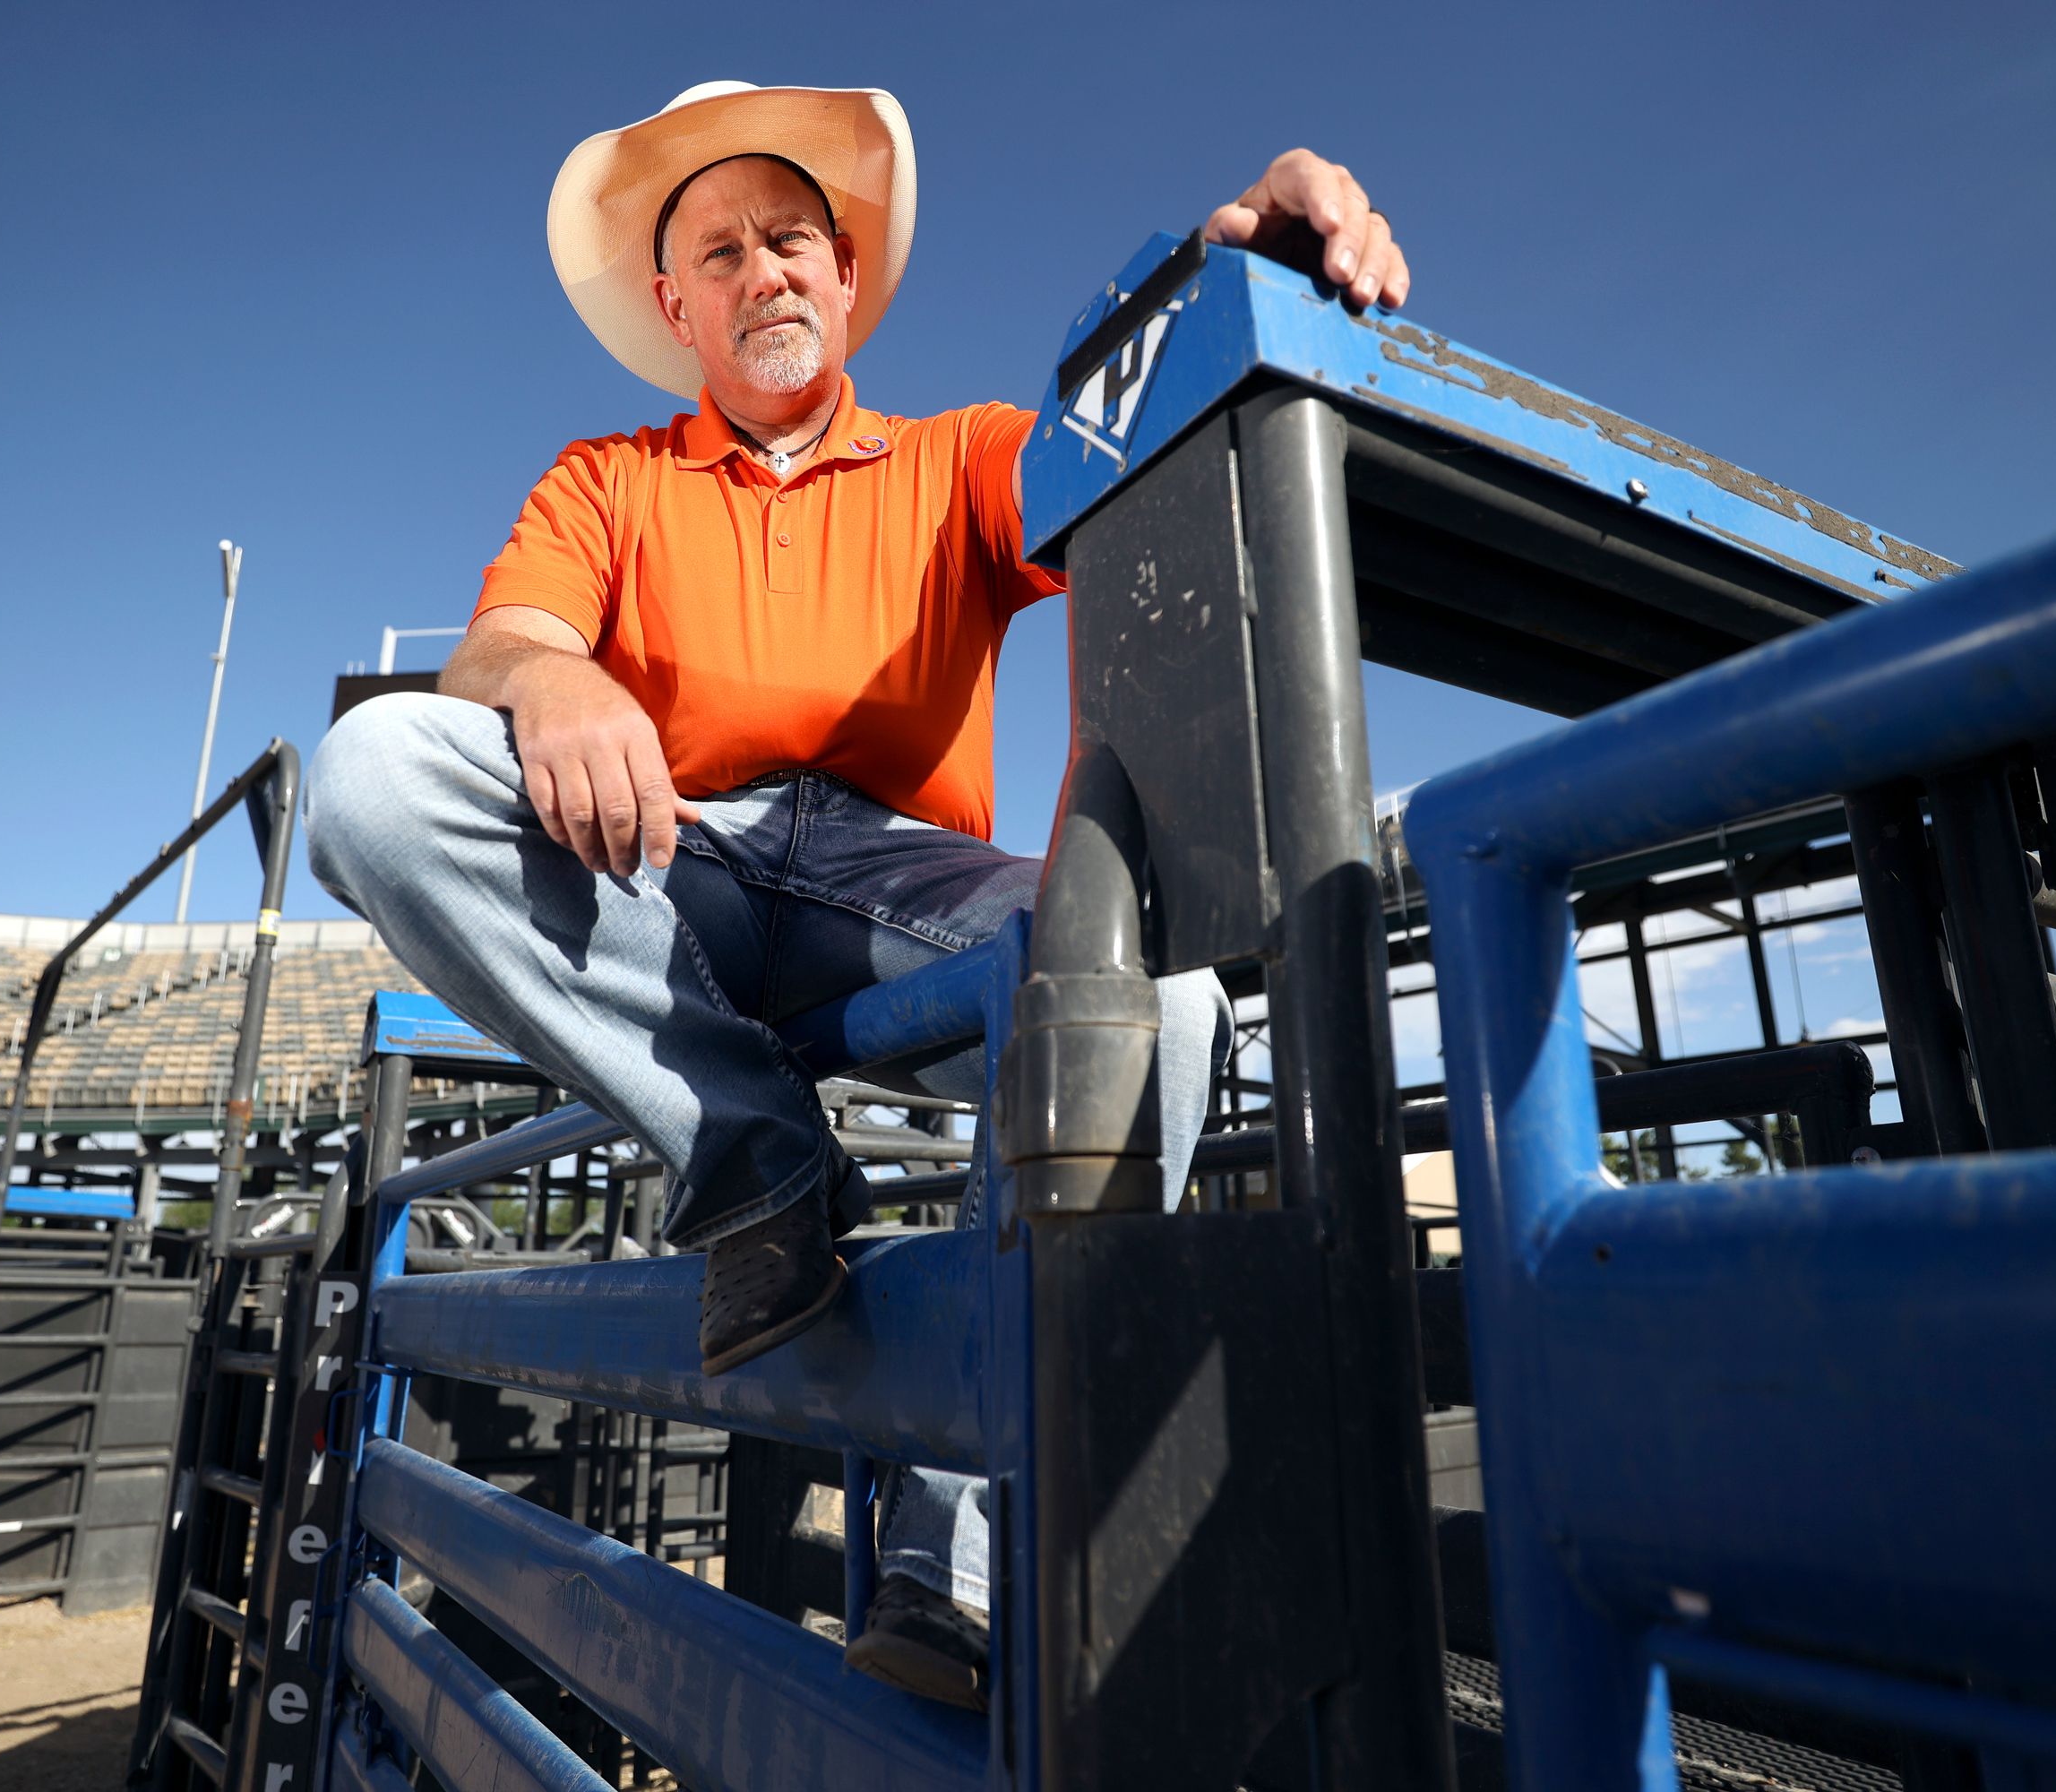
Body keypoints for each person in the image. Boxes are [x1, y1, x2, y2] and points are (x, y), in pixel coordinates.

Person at [307, 79, 1409, 1708]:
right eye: (723, 249)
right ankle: (758, 1156)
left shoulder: (955, 456)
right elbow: (507, 636)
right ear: (676, 300)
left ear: (843, 274)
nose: (765, 270)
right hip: (668, 861)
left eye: (794, 239)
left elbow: (1131, 444)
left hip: (895, 876)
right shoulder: (607, 479)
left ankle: (951, 1556)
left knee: (1166, 1003)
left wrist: (1231, 269)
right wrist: (550, 685)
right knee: (372, 775)